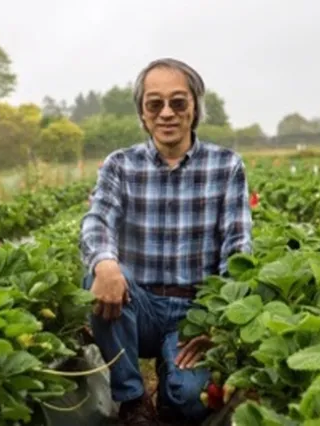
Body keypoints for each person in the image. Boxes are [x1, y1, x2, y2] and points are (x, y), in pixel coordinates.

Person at [79, 58, 253, 426]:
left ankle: (173, 386)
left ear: (195, 107)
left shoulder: (226, 166)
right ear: (142, 114)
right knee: (98, 276)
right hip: (138, 306)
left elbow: (237, 247)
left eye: (178, 102)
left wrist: (219, 321)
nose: (167, 113)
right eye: (154, 104)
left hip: (194, 311)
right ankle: (133, 399)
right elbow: (97, 221)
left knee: (192, 401)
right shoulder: (120, 165)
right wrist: (105, 263)